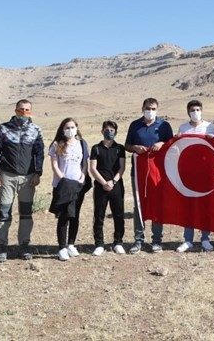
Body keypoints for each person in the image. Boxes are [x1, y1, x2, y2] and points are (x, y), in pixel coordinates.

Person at [0, 99, 44, 262]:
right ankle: (1, 247)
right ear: (15, 110)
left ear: (31, 112)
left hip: (28, 178)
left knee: (26, 213)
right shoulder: (4, 128)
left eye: (27, 110)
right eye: (21, 110)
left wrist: (38, 173)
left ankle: (24, 245)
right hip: (7, 176)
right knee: (4, 212)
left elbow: (39, 153)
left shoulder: (35, 130)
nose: (24, 113)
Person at [124, 98, 173, 254]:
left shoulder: (164, 126)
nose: (150, 111)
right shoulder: (135, 125)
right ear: (142, 108)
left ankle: (157, 241)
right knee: (139, 204)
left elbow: (172, 144)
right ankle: (138, 240)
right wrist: (134, 147)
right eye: (147, 108)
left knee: (157, 204)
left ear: (157, 109)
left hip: (158, 172)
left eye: (153, 108)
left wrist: (162, 144)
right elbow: (127, 145)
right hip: (138, 172)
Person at [176, 100, 214, 253]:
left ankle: (205, 238)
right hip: (187, 173)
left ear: (202, 110)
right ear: (188, 112)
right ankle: (188, 240)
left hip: (206, 173)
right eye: (193, 109)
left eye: (198, 109)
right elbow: (178, 149)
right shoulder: (183, 128)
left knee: (205, 206)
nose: (196, 112)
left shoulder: (210, 127)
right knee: (189, 206)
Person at [48, 118, 90, 261]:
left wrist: (82, 177)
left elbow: (84, 164)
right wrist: (63, 179)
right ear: (62, 129)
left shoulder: (82, 144)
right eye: (67, 127)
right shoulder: (56, 145)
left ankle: (71, 244)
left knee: (75, 215)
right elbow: (54, 165)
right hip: (63, 185)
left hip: (78, 185)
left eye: (73, 127)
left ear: (77, 128)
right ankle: (62, 247)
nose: (70, 130)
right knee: (64, 216)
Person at [89, 121, 127, 256]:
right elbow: (92, 168)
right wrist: (104, 182)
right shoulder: (96, 148)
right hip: (100, 186)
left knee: (118, 214)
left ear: (115, 132)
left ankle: (118, 242)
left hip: (116, 186)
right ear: (102, 131)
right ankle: (99, 244)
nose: (109, 132)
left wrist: (113, 181)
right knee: (99, 215)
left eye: (112, 130)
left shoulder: (119, 148)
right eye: (107, 130)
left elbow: (122, 167)